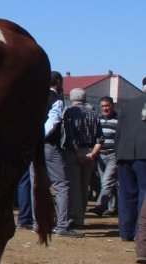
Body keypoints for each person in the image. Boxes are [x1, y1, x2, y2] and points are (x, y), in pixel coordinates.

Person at [31, 71, 80, 237]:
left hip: (34, 146)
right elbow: (52, 122)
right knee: (62, 185)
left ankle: (37, 223)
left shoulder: (34, 97)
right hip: (48, 146)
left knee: (36, 184)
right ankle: (61, 226)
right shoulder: (56, 100)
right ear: (58, 82)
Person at [61, 88, 104, 230]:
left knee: (74, 186)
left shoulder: (69, 112)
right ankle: (81, 217)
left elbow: (70, 136)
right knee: (84, 186)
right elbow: (100, 138)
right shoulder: (93, 113)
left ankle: (76, 219)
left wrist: (78, 153)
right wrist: (93, 153)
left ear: (72, 98)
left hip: (73, 152)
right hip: (91, 151)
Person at [115, 81, 146, 243]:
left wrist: (117, 154)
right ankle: (140, 233)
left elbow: (118, 132)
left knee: (126, 194)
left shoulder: (129, 105)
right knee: (144, 193)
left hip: (124, 153)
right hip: (143, 155)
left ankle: (126, 232)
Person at [90, 96, 119, 217]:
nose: (105, 108)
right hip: (100, 156)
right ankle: (112, 207)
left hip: (113, 155)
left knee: (107, 182)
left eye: (107, 106)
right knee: (106, 183)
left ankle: (100, 206)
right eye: (102, 106)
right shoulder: (98, 120)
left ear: (112, 106)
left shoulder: (119, 120)